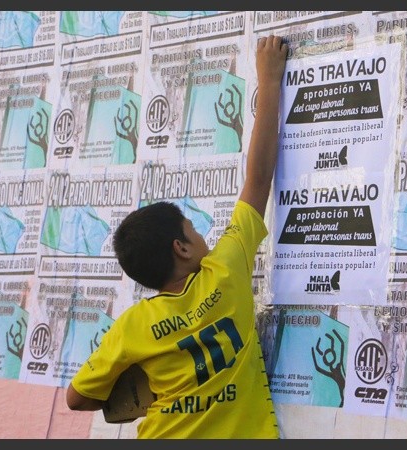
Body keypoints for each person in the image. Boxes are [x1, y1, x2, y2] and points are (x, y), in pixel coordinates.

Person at [66, 35, 288, 439]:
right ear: (181, 248)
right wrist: (269, 80)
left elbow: (77, 399)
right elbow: (258, 179)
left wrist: (149, 388)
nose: (202, 235)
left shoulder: (133, 326)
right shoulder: (226, 271)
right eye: (193, 229)